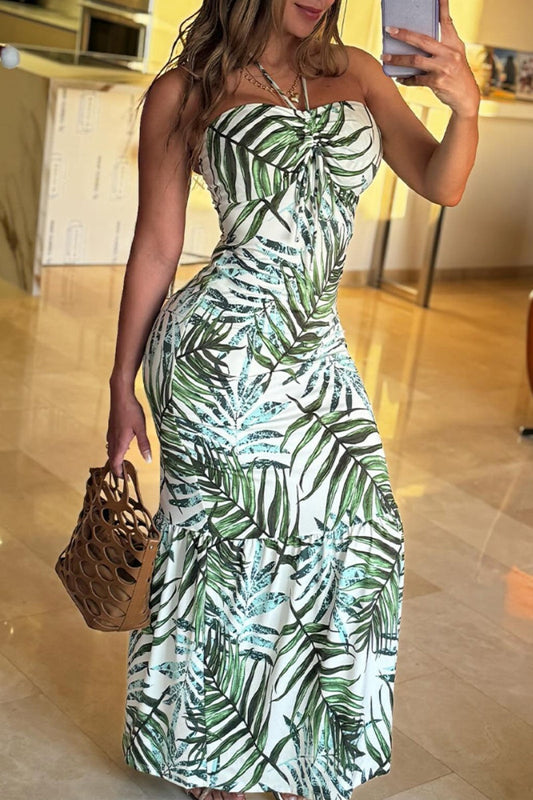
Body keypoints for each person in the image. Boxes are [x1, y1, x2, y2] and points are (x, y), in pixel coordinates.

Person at [106, 2, 480, 800]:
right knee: (234, 552)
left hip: (312, 345)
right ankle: (220, 759)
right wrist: (119, 384)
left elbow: (440, 181)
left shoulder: (357, 74)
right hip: (215, 352)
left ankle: (297, 740)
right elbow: (158, 245)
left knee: (365, 536)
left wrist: (465, 107)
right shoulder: (186, 90)